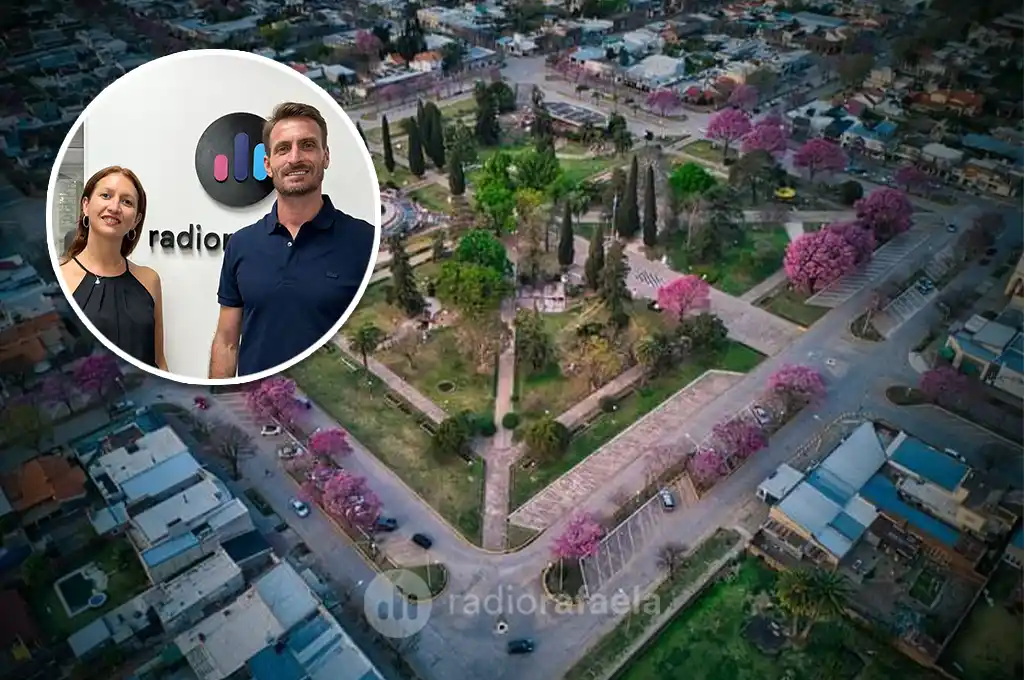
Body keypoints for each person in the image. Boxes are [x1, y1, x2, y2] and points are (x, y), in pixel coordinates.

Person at [209, 102, 375, 378]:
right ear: (268, 164)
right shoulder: (241, 244)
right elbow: (226, 343)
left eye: (308, 145)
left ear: (326, 157)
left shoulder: (365, 241)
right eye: (283, 149)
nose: (295, 158)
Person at [60, 166, 167, 370]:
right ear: (85, 205)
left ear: (136, 219)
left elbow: (159, 361)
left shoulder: (149, 280)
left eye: (127, 201)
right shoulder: (61, 278)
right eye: (106, 195)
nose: (115, 207)